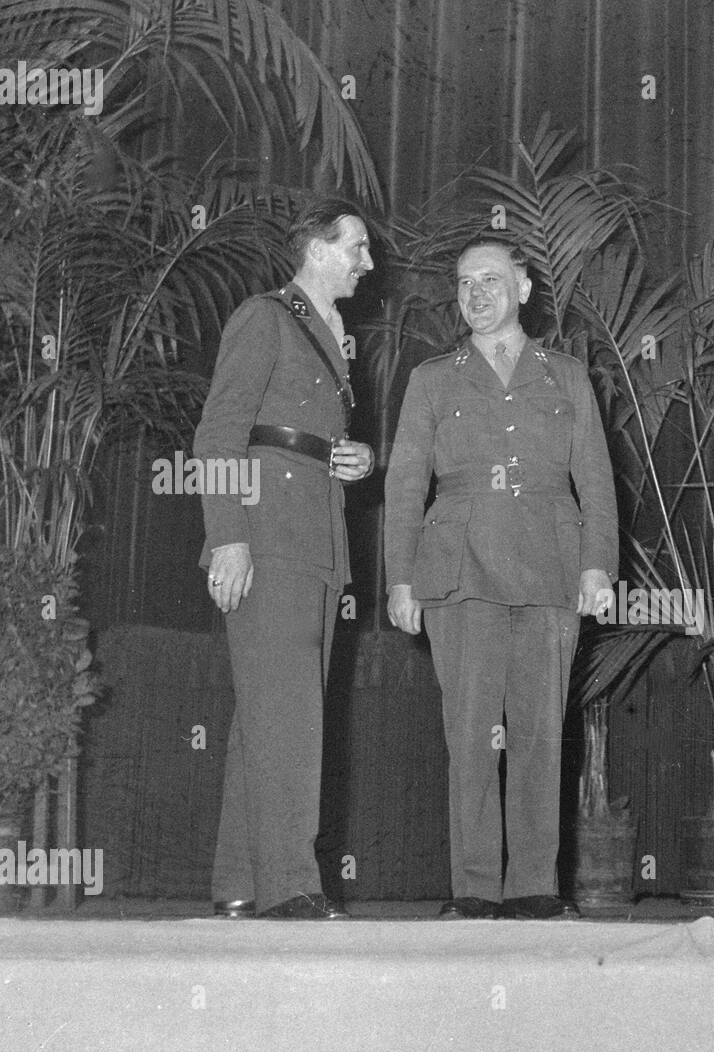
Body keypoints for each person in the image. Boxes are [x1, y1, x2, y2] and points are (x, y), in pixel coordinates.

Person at [384, 238, 619, 920]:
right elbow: (404, 487)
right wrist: (401, 579)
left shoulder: (567, 376)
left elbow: (597, 482)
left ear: (523, 288)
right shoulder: (432, 378)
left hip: (551, 568)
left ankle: (535, 887)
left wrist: (597, 565)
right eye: (463, 283)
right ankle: (476, 887)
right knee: (471, 733)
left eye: (490, 280)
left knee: (541, 733)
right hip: (459, 574)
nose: (476, 294)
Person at [195, 198, 375, 919]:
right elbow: (217, 435)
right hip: (268, 539)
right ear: (317, 249)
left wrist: (347, 458)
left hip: (316, 541)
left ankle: (240, 881)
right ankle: (291, 885)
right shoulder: (266, 317)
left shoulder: (331, 332)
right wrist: (229, 537)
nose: (368, 262)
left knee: (267, 718)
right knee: (291, 717)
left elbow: (295, 436)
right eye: (357, 247)